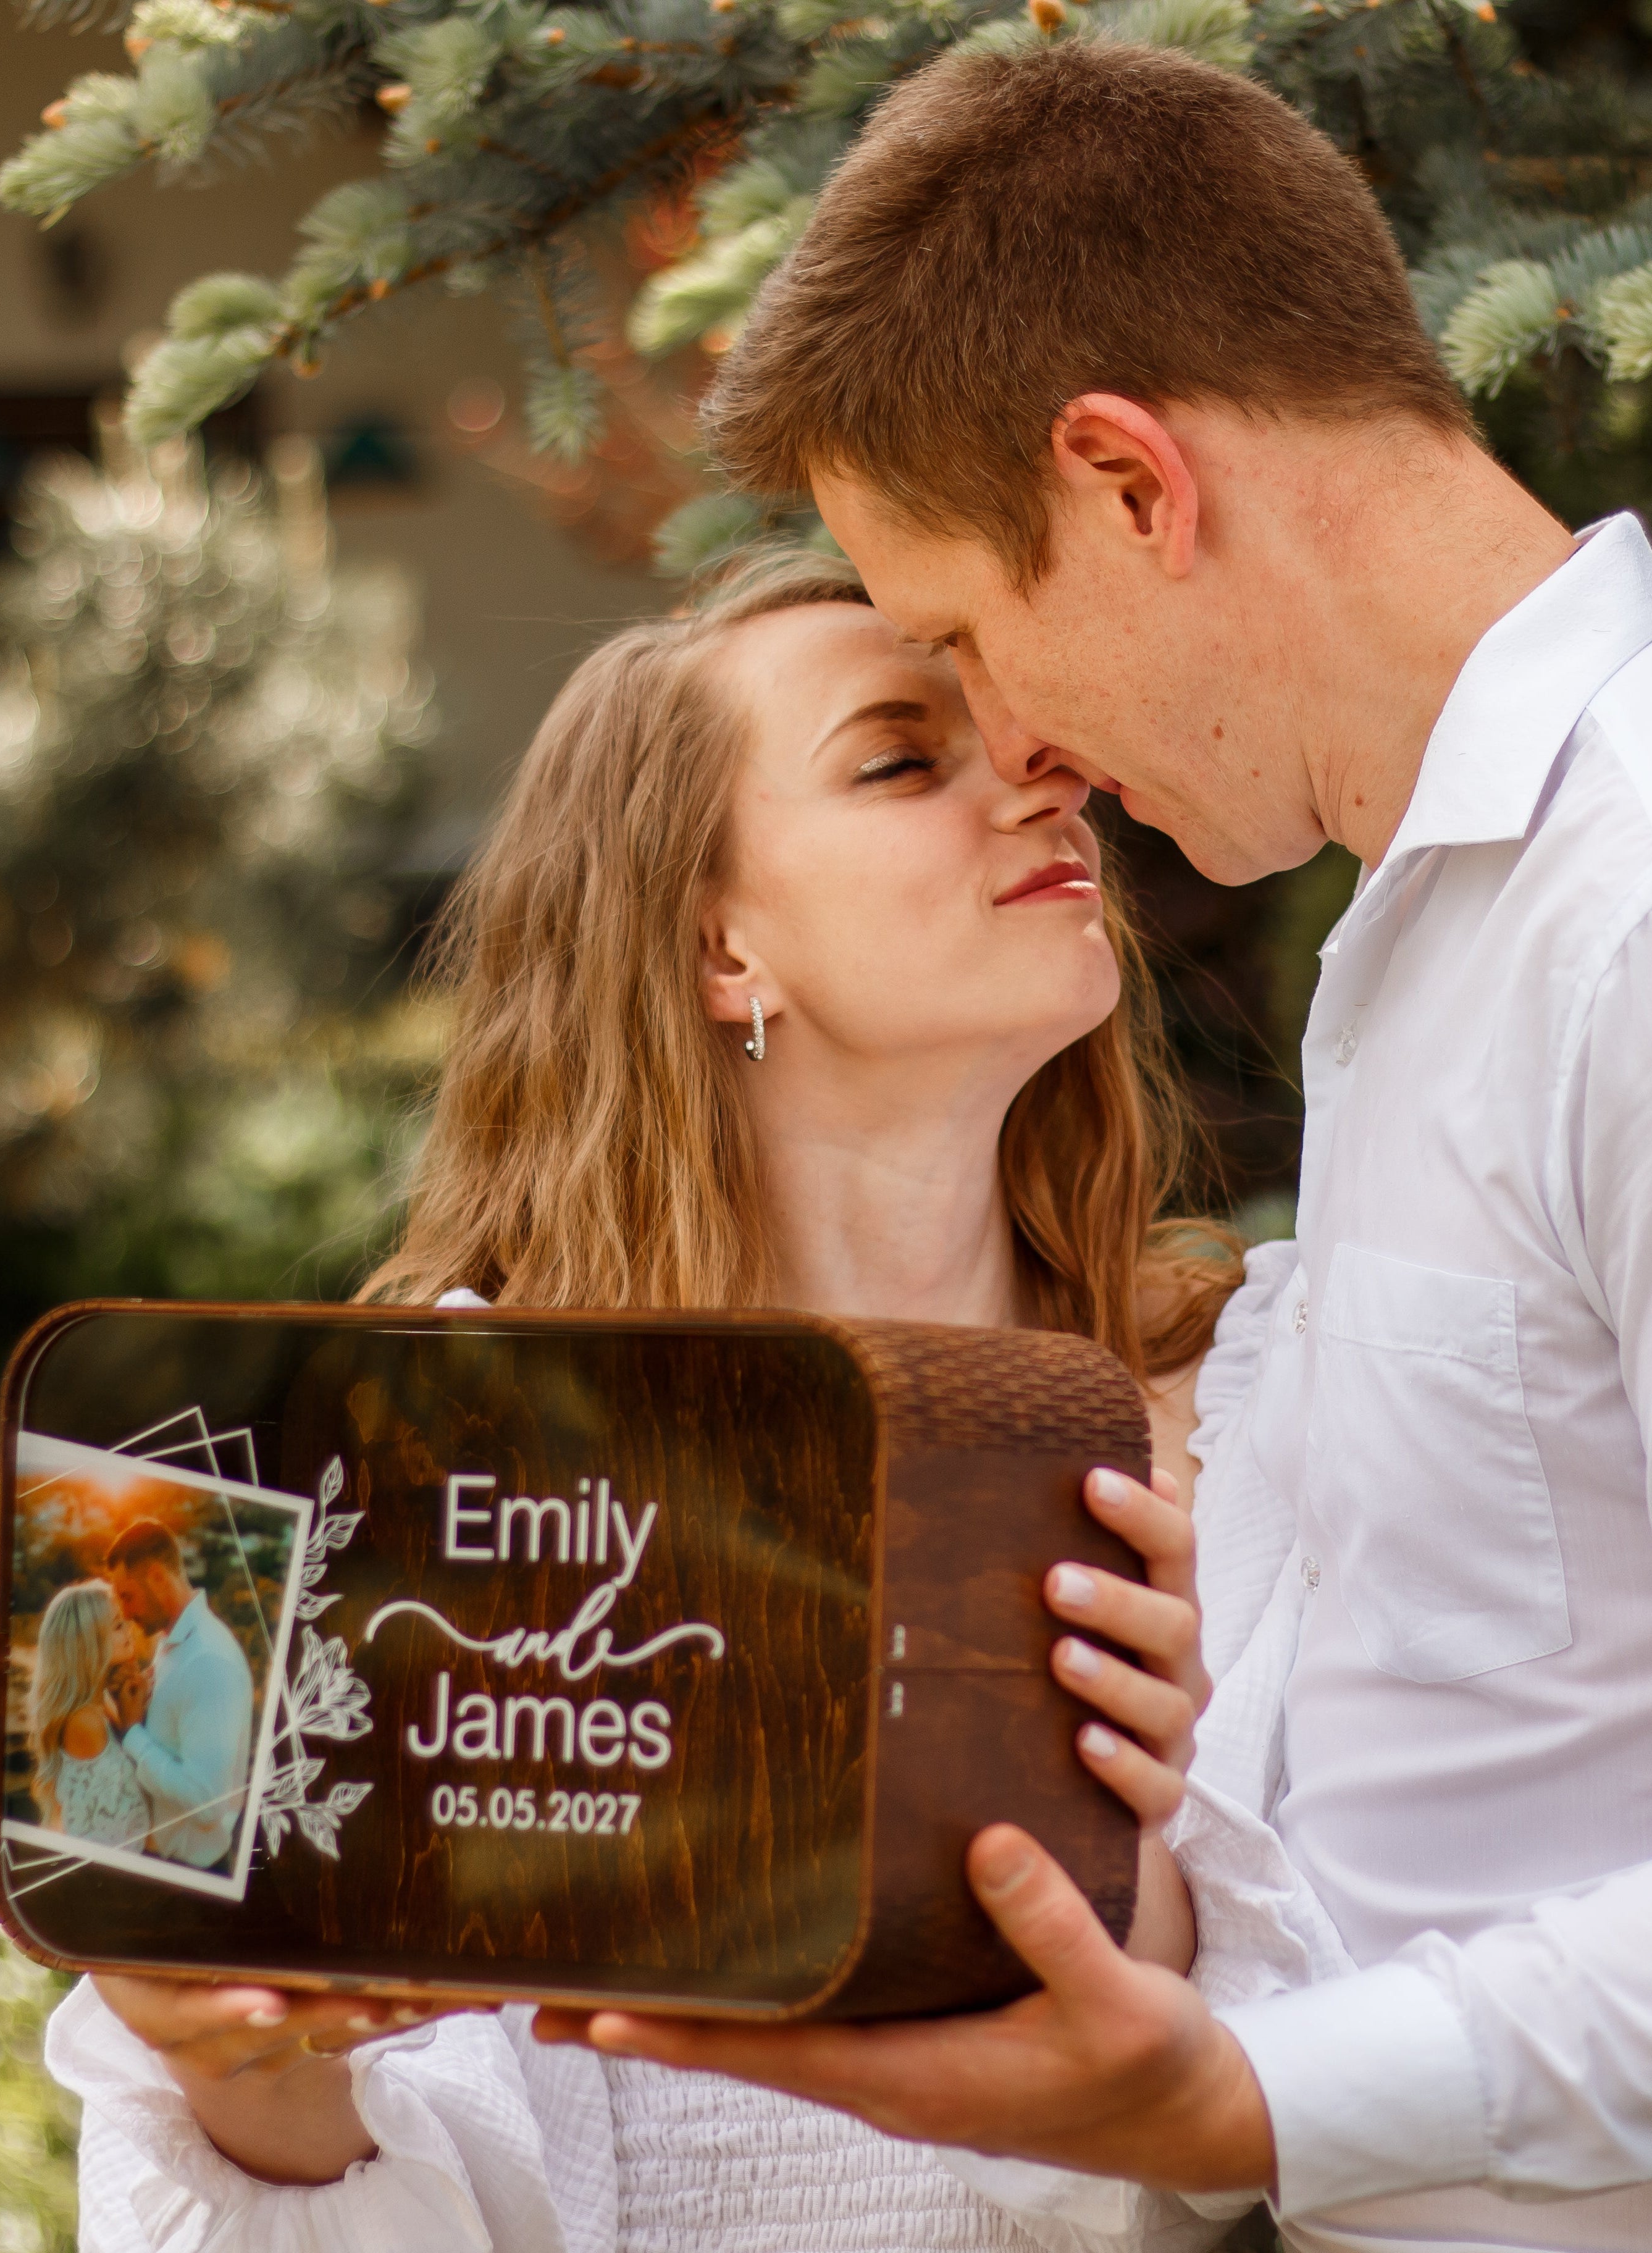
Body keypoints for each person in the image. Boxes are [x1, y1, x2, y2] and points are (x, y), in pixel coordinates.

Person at [546, 35, 1652, 2253]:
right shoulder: (1426, 936)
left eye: (969, 636)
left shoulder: (1620, 913)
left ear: (1129, 485)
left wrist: (1243, 2093)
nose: (1025, 753)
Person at [35, 558, 1330, 2252]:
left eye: (1015, 733)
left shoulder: (1265, 1403)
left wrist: (1124, 1829)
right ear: (719, 945)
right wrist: (231, 2054)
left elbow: (1338, 2120)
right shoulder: (439, 1456)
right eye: (897, 755)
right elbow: (375, 2166)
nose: (1043, 773)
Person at [106, 1518, 254, 1874]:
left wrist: (133, 1736)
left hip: (197, 1873)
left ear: (158, 1577)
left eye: (128, 1596)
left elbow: (208, 1803)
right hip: (167, 1860)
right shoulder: (171, 1642)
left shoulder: (208, 1661)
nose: (124, 1613)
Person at [27, 1579, 153, 1850]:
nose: (128, 1629)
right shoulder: (84, 1722)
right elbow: (122, 1819)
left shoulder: (101, 1704)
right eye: (118, 1625)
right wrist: (133, 1728)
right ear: (90, 1643)